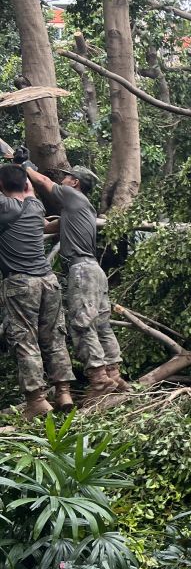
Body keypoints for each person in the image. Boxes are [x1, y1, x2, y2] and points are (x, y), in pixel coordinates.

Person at [23, 163, 126, 402]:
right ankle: (114, 374)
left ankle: (99, 381)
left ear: (75, 183)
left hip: (82, 270)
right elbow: (49, 226)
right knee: (102, 324)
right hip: (95, 270)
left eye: (67, 178)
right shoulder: (82, 209)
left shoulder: (72, 195)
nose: (64, 181)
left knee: (81, 324)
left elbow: (44, 183)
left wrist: (24, 166)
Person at [0, 162, 75, 418]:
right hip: (48, 280)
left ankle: (37, 401)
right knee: (54, 336)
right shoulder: (35, 206)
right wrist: (22, 165)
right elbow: (30, 189)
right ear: (24, 184)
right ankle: (63, 392)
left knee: (25, 340)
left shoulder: (3, 207)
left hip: (22, 283)